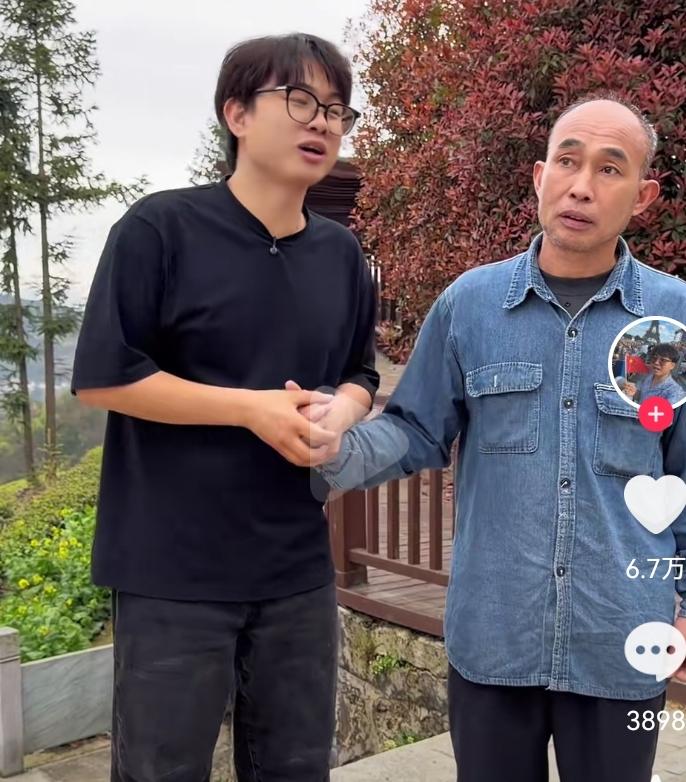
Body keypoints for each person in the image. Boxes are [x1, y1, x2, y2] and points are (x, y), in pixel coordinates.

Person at [312, 95, 686, 782]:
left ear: (644, 195)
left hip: (622, 636)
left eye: (610, 168)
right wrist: (333, 451)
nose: (581, 186)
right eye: (567, 161)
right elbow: (415, 430)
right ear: (540, 176)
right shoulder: (471, 305)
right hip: (495, 635)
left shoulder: (672, 319)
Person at [71, 33, 379, 782]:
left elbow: (359, 373)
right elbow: (104, 376)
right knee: (162, 770)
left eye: (336, 109)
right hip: (170, 569)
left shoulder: (341, 254)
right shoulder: (159, 228)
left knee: (295, 768)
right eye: (299, 100)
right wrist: (249, 410)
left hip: (296, 566)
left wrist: (341, 413)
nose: (322, 122)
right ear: (236, 113)